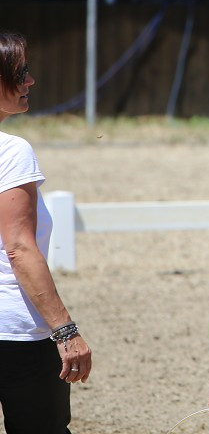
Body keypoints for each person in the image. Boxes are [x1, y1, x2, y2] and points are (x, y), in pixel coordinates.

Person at [0, 31, 92, 434]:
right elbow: (19, 247)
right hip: (14, 332)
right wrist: (65, 330)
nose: (30, 81)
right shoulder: (11, 151)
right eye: (20, 73)